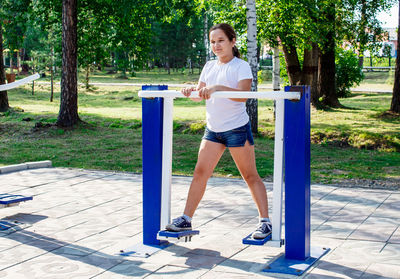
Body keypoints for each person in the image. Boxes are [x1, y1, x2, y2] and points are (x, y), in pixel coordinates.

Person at [165, 23, 271, 239]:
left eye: (221, 40)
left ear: (232, 41)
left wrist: (218, 88)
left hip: (237, 129)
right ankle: (186, 219)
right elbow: (200, 94)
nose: (216, 45)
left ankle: (265, 223)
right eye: (213, 42)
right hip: (213, 130)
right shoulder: (209, 66)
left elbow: (243, 96)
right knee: (199, 173)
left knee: (250, 176)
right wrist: (189, 90)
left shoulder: (240, 66)